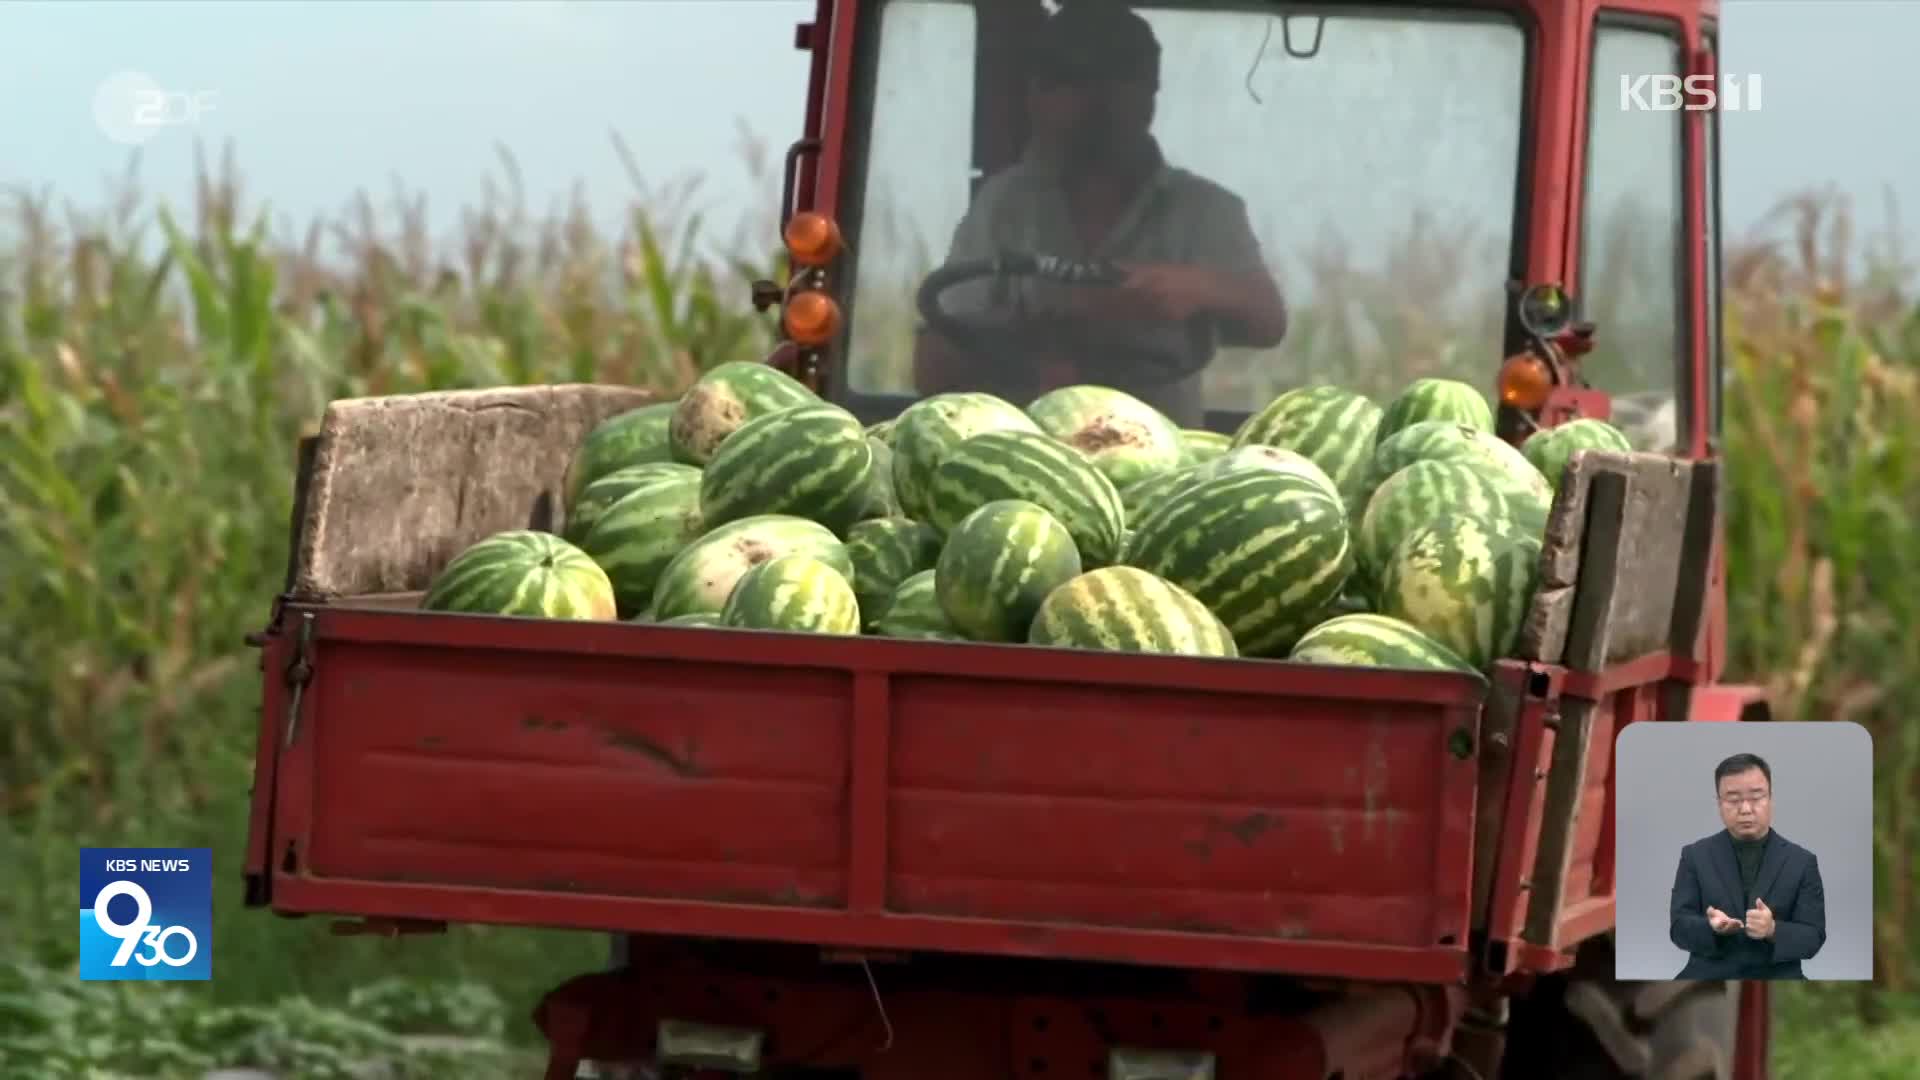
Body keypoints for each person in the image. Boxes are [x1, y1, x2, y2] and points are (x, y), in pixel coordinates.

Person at [910, 0, 1287, 427]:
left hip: (1166, 464)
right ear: (1036, 97)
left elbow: (1268, 321)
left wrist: (1195, 287)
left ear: (1148, 96)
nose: (1093, 103)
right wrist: (1044, 340)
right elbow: (934, 364)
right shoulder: (1004, 205)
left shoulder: (1203, 210)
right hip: (1029, 452)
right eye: (1071, 81)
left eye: (1113, 81)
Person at [1668, 752, 1827, 980]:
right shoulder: (1695, 856)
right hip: (1707, 976)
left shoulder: (1801, 862)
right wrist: (1711, 928)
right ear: (1719, 804)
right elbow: (1678, 928)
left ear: (1770, 799)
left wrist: (1772, 929)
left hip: (1776, 976)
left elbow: (1814, 937)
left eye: (1756, 797)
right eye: (1733, 799)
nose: (1745, 809)